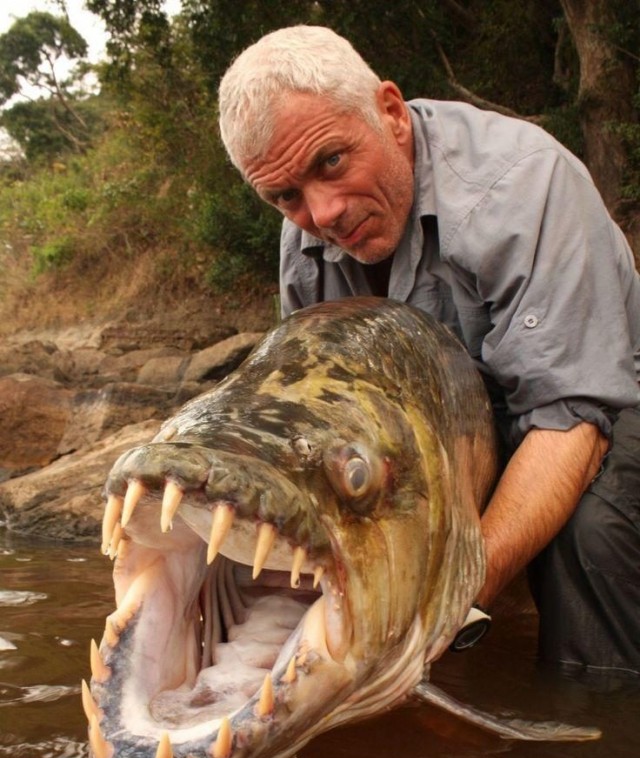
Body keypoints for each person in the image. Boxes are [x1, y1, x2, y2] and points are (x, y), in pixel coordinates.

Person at [218, 25, 640, 676]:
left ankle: (600, 740)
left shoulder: (524, 185)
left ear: (390, 113)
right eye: (286, 196)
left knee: (589, 537)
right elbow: (320, 421)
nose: (322, 213)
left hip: (597, 400)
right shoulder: (301, 243)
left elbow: (571, 420)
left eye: (331, 162)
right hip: (458, 430)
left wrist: (445, 604)